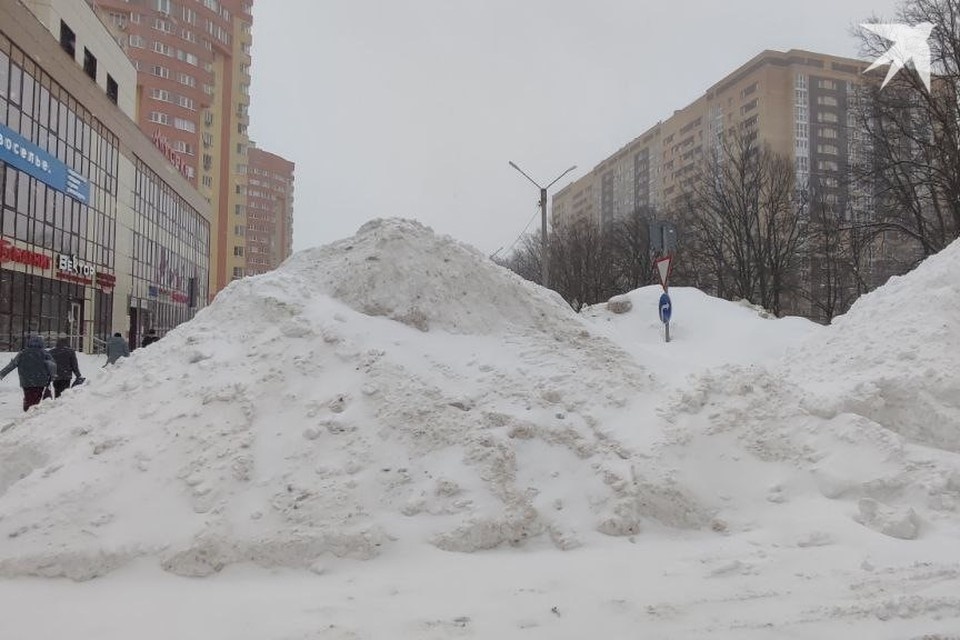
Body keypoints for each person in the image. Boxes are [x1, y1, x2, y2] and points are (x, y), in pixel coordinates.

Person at [0, 334, 57, 412]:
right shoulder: (45, 353)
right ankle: (34, 413)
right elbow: (52, 365)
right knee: (38, 397)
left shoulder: (22, 353)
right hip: (41, 380)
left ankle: (28, 409)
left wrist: (2, 374)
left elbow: (12, 365)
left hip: (26, 381)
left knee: (29, 396)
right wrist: (52, 376)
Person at [48, 333, 83, 398]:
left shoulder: (51, 352)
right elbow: (74, 365)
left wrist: (48, 376)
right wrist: (78, 375)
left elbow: (49, 365)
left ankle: (57, 404)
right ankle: (62, 405)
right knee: (65, 393)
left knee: (57, 392)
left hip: (56, 376)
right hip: (66, 376)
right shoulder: (70, 351)